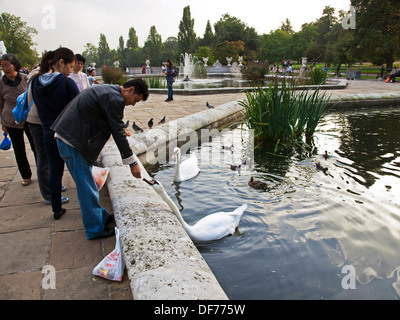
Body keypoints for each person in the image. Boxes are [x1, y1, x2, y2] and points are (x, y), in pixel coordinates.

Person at [51, 78, 149, 240]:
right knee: (86, 187)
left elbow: (109, 120)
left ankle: (100, 216)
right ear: (130, 90)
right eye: (135, 100)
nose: (133, 104)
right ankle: (94, 229)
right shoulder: (115, 99)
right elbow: (117, 132)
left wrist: (116, 128)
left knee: (88, 182)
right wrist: (133, 163)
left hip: (70, 138)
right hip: (72, 141)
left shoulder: (110, 90)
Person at [31, 47, 80, 220]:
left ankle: (56, 208)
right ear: (61, 63)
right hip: (67, 133)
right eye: (69, 66)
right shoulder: (67, 83)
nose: (70, 71)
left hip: (47, 132)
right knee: (79, 171)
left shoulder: (35, 82)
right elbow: (79, 108)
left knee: (54, 170)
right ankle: (88, 208)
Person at [26, 67, 69, 205]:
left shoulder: (44, 78)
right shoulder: (39, 79)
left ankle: (54, 188)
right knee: (43, 159)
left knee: (53, 160)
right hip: (39, 122)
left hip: (45, 122)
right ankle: (49, 194)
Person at [0, 54, 36, 186]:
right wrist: (3, 123)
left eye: (7, 65)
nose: (5, 68)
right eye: (2, 66)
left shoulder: (25, 78)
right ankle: (26, 175)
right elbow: (0, 103)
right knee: (19, 149)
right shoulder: (1, 83)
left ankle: (43, 172)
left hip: (28, 117)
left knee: (36, 146)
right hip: (11, 119)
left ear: (15, 64)